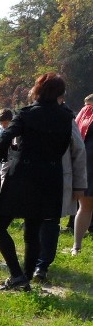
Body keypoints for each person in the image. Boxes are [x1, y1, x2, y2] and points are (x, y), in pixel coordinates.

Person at [0, 73, 77, 291]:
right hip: (51, 178)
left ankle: (17, 275)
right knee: (33, 230)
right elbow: (64, 146)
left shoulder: (27, 114)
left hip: (23, 177)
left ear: (39, 90)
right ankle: (24, 278)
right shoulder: (66, 117)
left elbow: (4, 138)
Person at [32, 101, 86, 281]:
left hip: (57, 177)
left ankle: (41, 265)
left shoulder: (66, 119)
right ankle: (36, 264)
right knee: (38, 222)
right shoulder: (29, 115)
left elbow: (78, 151)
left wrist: (79, 184)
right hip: (35, 177)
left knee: (48, 220)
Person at [71, 93, 93, 255]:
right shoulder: (86, 114)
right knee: (85, 207)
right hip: (88, 167)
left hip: (85, 166)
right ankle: (76, 246)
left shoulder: (82, 115)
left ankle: (76, 247)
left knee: (85, 207)